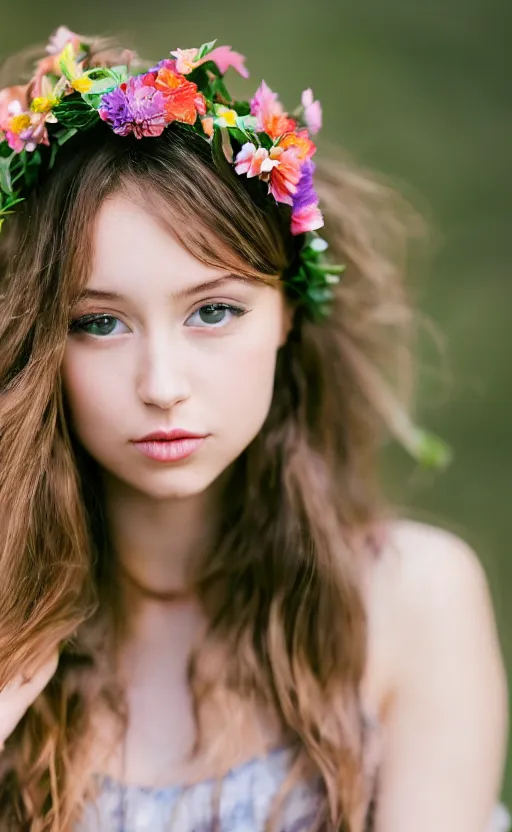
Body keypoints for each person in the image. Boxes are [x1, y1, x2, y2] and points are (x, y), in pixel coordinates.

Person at [0, 25, 508, 832]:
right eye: (99, 323)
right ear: (34, 342)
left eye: (213, 311)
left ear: (284, 319)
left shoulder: (410, 601)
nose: (162, 386)